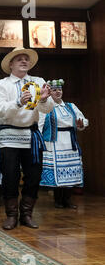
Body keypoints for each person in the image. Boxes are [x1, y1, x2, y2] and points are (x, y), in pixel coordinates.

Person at [0, 47, 53, 230]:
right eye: (19, 59)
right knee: (10, 176)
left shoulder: (38, 81)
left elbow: (47, 109)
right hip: (9, 136)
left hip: (32, 136)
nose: (24, 61)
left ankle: (27, 214)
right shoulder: (2, 85)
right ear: (11, 64)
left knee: (34, 176)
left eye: (26, 59)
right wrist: (19, 101)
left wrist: (43, 99)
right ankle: (11, 215)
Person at [39, 80, 89, 209]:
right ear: (50, 92)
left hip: (70, 142)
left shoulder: (70, 106)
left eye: (60, 89)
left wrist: (81, 124)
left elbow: (83, 120)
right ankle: (58, 200)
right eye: (55, 90)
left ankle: (67, 199)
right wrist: (39, 141)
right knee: (57, 170)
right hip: (54, 142)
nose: (58, 92)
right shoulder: (46, 108)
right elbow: (39, 125)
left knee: (70, 171)